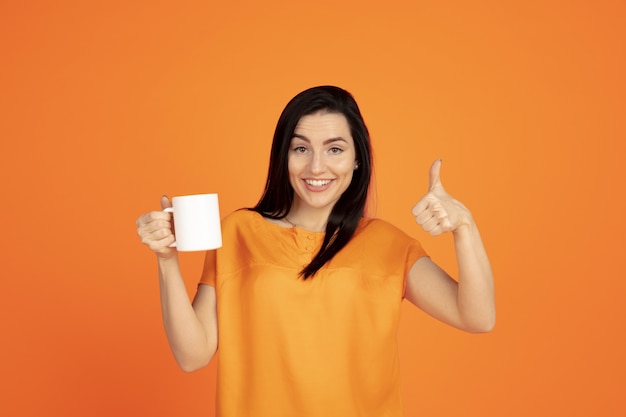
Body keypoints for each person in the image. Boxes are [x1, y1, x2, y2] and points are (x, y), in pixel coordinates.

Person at [136, 85, 495, 417]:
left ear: (357, 160)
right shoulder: (237, 232)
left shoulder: (388, 244)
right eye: (301, 148)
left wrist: (465, 228)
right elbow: (191, 355)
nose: (316, 167)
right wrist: (167, 261)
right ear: (284, 156)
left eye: (335, 149)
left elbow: (478, 318)